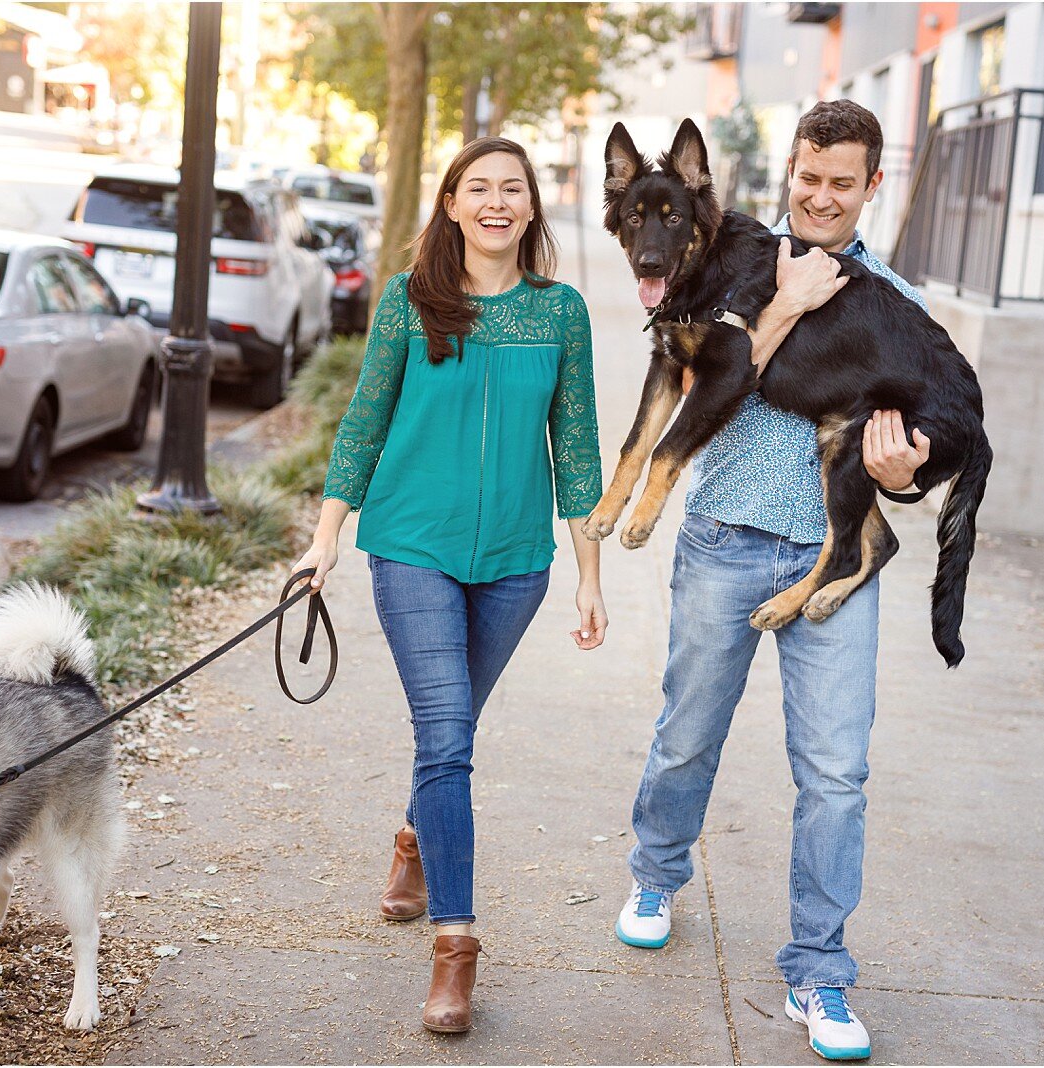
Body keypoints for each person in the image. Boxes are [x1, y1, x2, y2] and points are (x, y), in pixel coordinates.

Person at [614, 100, 933, 1063]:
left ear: (873, 186)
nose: (823, 196)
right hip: (725, 537)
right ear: (788, 174)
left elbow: (917, 451)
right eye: (810, 177)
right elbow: (713, 379)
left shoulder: (894, 298)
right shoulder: (730, 267)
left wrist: (901, 474)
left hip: (829, 562)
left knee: (837, 775)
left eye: (844, 182)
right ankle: (656, 875)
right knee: (686, 738)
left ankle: (821, 973)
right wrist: (788, 302)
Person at [294, 136, 606, 1035]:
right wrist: (326, 543)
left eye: (514, 189)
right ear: (452, 204)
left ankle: (412, 842)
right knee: (446, 731)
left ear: (533, 207)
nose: (498, 202)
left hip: (516, 563)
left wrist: (590, 576)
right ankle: (456, 946)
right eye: (480, 188)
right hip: (413, 548)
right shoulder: (410, 300)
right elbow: (364, 421)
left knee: (451, 730)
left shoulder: (561, 313)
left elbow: (577, 448)